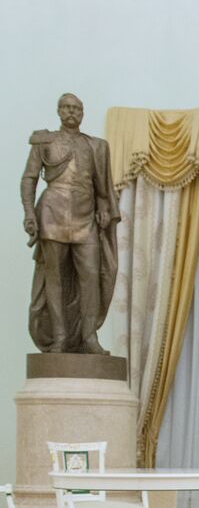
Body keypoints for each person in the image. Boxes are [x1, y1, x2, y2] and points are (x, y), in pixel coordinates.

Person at [20, 93, 120, 355]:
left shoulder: (96, 146)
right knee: (55, 280)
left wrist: (105, 209)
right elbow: (29, 179)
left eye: (76, 108)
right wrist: (29, 213)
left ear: (83, 113)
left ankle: (89, 336)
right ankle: (60, 337)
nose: (71, 112)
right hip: (52, 214)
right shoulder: (44, 141)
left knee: (91, 275)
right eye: (66, 107)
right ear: (58, 111)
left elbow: (102, 188)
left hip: (85, 218)